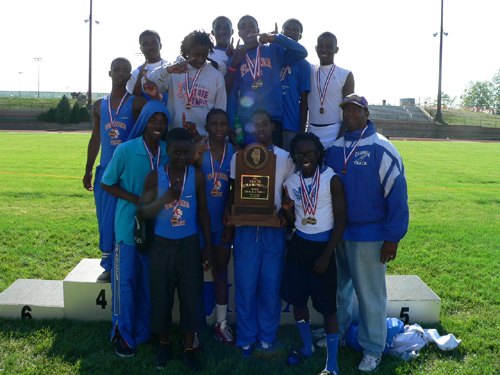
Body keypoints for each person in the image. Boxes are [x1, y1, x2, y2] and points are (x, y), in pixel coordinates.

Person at [324, 94, 409, 372]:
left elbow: (397, 196)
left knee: (370, 294)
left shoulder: (381, 148)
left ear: (366, 112)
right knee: (339, 291)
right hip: (339, 234)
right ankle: (340, 334)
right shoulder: (334, 149)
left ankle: (373, 348)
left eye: (355, 109)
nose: (350, 113)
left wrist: (392, 237)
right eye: (346, 109)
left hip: (371, 236)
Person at [136, 127, 212, 372]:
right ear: (166, 150)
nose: (181, 156)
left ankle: (189, 349)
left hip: (189, 245)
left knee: (191, 297)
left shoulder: (197, 176)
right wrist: (164, 199)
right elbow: (141, 212)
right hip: (161, 246)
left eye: (186, 151)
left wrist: (207, 246)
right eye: (176, 151)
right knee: (161, 297)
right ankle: (164, 344)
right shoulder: (154, 176)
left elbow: (203, 213)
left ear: (192, 150)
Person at [100, 100, 170, 357]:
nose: (158, 125)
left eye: (162, 121)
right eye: (153, 120)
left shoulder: (167, 151)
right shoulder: (126, 150)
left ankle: (142, 332)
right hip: (129, 228)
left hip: (159, 230)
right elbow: (107, 183)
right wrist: (135, 199)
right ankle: (122, 333)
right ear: (144, 122)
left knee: (148, 284)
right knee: (125, 284)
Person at [224, 109, 295, 358]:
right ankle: (245, 338)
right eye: (256, 125)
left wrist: (285, 216)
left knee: (270, 286)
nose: (261, 129)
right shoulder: (239, 157)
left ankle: (266, 338)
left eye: (265, 124)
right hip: (245, 230)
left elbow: (290, 196)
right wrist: (230, 223)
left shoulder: (286, 158)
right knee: (244, 286)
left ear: (272, 127)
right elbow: (233, 192)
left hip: (273, 230)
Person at [280, 133, 346, 375]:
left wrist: (327, 255)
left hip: (323, 249)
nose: (305, 158)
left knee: (328, 308)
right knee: (298, 301)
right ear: (294, 156)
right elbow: (291, 222)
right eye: (300, 154)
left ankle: (332, 364)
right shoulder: (291, 182)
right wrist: (286, 211)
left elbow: (341, 221)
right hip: (299, 246)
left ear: (319, 153)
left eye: (310, 153)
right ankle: (307, 347)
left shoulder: (332, 179)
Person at [83, 57, 147, 283]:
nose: (121, 73)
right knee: (105, 219)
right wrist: (89, 169)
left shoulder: (137, 103)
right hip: (105, 172)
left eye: (125, 71)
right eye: (116, 69)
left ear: (130, 75)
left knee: (128, 218)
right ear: (109, 73)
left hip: (127, 173)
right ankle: (108, 264)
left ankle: (130, 260)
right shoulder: (99, 106)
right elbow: (95, 139)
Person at [191, 108, 238, 347]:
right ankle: (194, 329)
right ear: (206, 127)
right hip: (195, 225)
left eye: (223, 124)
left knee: (220, 272)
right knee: (193, 275)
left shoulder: (235, 152)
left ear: (228, 126)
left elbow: (235, 189)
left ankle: (221, 325)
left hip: (221, 224)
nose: (219, 129)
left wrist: (230, 219)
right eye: (214, 124)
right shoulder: (198, 150)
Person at [225, 15, 308, 148]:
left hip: (272, 121)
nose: (248, 30)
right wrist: (231, 123)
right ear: (239, 33)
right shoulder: (236, 56)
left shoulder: (272, 50)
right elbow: (233, 94)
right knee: (250, 163)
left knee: (273, 163)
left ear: (258, 29)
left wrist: (275, 38)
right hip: (247, 121)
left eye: (251, 26)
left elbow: (301, 52)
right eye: (243, 27)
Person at [146, 30, 227, 137]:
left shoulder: (216, 76)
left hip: (203, 137)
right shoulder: (173, 70)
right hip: (176, 135)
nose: (200, 60)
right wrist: (168, 70)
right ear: (187, 52)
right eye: (196, 55)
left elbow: (220, 110)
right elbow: (147, 82)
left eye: (204, 55)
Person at [307, 32, 354, 148]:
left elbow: (348, 109)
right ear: (316, 48)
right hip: (311, 130)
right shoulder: (309, 70)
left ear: (336, 49)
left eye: (329, 47)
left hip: (334, 131)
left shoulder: (345, 74)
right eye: (321, 46)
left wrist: (340, 137)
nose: (324, 50)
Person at [280, 18, 311, 151]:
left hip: (291, 123)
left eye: (295, 31)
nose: (290, 33)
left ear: (300, 36)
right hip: (270, 122)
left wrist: (301, 129)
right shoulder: (273, 54)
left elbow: (304, 99)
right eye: (287, 29)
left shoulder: (303, 64)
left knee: (289, 162)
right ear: (281, 32)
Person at [127, 30, 169, 107]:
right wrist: (139, 81)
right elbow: (133, 104)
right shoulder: (136, 74)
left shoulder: (171, 69)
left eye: (154, 43)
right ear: (141, 49)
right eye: (145, 44)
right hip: (148, 118)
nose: (150, 47)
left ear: (160, 46)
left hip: (171, 117)